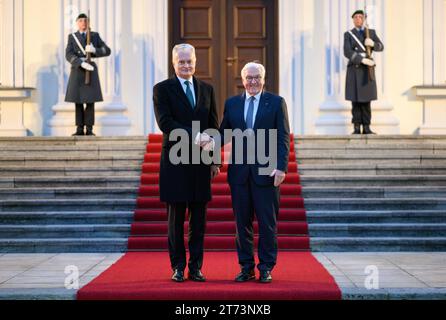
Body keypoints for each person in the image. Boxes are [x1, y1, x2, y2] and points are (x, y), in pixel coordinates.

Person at [203, 62, 290, 283]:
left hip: (267, 172)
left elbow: (282, 137)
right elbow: (224, 133)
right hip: (240, 174)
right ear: (242, 80)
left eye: (257, 77)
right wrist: (210, 142)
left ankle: (266, 267)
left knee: (267, 223)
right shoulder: (232, 104)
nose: (253, 81)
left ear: (264, 78)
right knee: (242, 224)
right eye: (249, 78)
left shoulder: (277, 103)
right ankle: (246, 267)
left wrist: (282, 167)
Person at [153, 44, 220, 283]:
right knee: (176, 220)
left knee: (198, 221)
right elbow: (165, 123)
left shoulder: (207, 89)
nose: (186, 65)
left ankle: (196, 267)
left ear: (195, 61)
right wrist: (194, 136)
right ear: (173, 63)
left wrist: (215, 160)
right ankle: (178, 267)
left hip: (201, 163)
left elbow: (213, 126)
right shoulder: (162, 89)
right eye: (181, 62)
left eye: (189, 61)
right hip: (175, 161)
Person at [65, 13, 111, 136]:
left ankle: (89, 129)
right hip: (78, 69)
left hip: (90, 69)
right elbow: (68, 54)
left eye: (85, 20)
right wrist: (80, 63)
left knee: (90, 101)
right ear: (77, 23)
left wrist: (95, 50)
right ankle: (79, 129)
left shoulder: (94, 36)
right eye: (80, 20)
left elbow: (107, 50)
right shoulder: (72, 37)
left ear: (88, 22)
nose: (83, 23)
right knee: (78, 101)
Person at [344, 10, 384, 135]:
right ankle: (356, 127)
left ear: (364, 19)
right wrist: (362, 60)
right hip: (355, 69)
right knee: (355, 100)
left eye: (360, 17)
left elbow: (381, 47)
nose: (358, 19)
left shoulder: (370, 33)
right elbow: (347, 51)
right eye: (355, 17)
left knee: (366, 100)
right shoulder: (349, 34)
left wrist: (373, 44)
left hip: (367, 71)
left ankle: (366, 127)